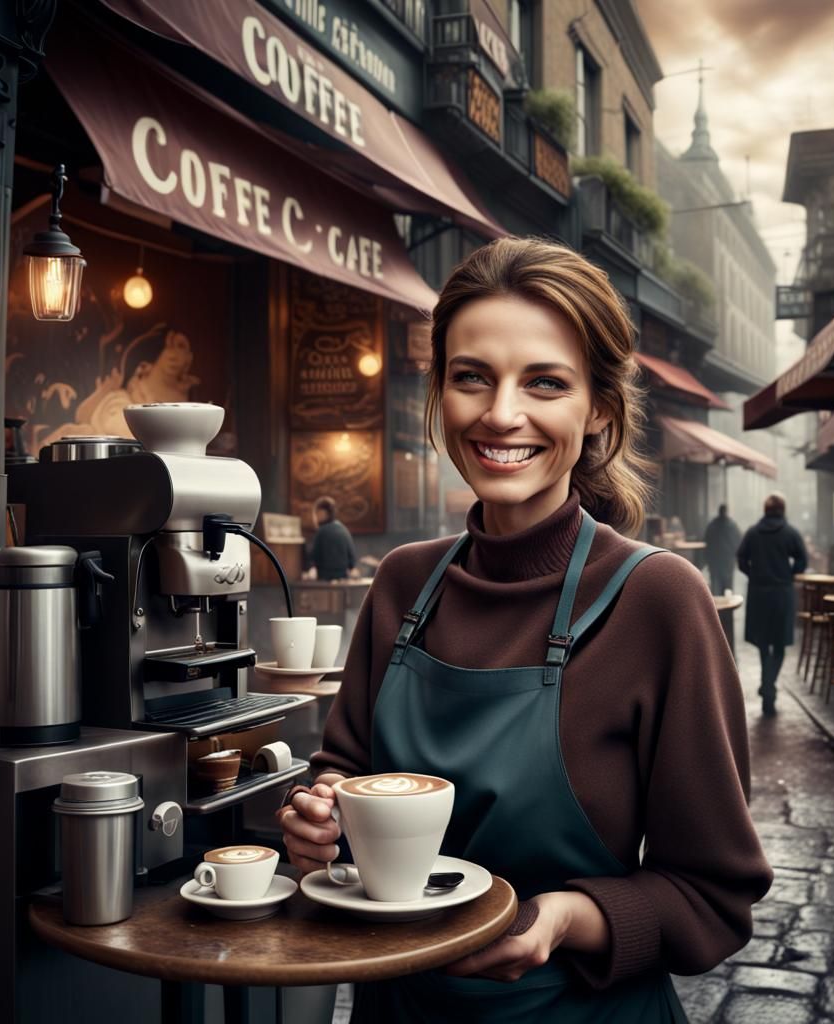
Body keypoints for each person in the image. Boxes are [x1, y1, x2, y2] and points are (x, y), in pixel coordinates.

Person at [278, 238, 771, 1022]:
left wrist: (569, 920)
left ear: (599, 409)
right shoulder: (404, 581)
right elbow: (344, 770)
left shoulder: (658, 599)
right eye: (471, 377)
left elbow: (714, 898)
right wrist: (320, 818)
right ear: (439, 393)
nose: (502, 413)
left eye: (545, 382)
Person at [737, 493, 808, 717]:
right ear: (783, 510)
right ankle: (769, 686)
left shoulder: (753, 532)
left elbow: (741, 558)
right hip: (781, 594)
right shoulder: (790, 533)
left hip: (759, 594)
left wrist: (754, 574)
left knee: (763, 641)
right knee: (778, 643)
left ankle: (767, 685)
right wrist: (789, 573)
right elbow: (802, 559)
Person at [310, 496, 357, 581]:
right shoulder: (343, 529)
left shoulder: (321, 532)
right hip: (344, 580)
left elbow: (315, 558)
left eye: (316, 513)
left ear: (322, 513)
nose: (315, 517)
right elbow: (352, 561)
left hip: (325, 581)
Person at [704, 503, 742, 594]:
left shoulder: (712, 525)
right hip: (728, 561)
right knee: (728, 587)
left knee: (716, 587)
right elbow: (738, 542)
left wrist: (708, 559)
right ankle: (729, 607)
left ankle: (717, 607)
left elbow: (707, 541)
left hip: (715, 561)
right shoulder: (732, 526)